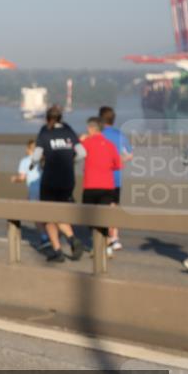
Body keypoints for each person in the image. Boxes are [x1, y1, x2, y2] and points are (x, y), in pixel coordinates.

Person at [32, 105, 86, 263]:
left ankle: (60, 250)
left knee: (48, 216)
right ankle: (71, 240)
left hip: (50, 179)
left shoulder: (45, 131)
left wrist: (38, 161)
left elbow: (36, 157)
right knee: (60, 213)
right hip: (68, 179)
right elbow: (83, 153)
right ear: (61, 117)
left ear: (48, 118)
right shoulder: (69, 130)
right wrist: (71, 161)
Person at [80, 117, 122, 255]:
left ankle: (100, 245)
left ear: (91, 129)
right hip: (107, 187)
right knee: (103, 217)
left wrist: (80, 141)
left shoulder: (86, 142)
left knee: (89, 217)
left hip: (90, 186)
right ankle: (106, 245)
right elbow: (118, 165)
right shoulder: (110, 145)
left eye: (88, 128)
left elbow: (77, 154)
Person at [98, 106, 133, 251]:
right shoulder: (120, 134)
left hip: (101, 178)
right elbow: (130, 155)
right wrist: (119, 162)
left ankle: (106, 239)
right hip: (116, 178)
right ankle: (115, 237)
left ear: (100, 119)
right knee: (114, 206)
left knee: (103, 208)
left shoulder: (99, 135)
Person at [12, 139, 49, 248]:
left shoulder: (25, 161)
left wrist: (15, 179)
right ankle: (51, 235)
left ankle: (44, 237)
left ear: (28, 149)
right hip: (46, 189)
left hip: (34, 189)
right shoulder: (45, 159)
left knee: (36, 215)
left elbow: (22, 177)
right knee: (47, 212)